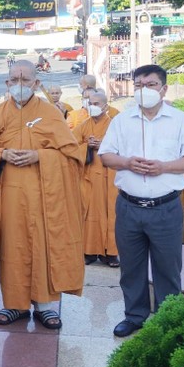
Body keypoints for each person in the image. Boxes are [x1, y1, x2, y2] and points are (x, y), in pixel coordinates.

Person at [98, 65, 184, 338]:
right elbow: (106, 155)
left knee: (167, 268)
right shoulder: (121, 120)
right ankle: (134, 316)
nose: (144, 90)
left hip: (166, 208)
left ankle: (167, 320)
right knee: (131, 268)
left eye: (151, 84)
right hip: (129, 207)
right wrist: (127, 162)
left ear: (164, 88)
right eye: (138, 85)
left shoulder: (181, 120)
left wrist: (164, 167)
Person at [0, 60, 84, 330]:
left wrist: (40, 156)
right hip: (9, 196)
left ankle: (46, 306)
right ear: (7, 83)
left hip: (44, 196)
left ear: (37, 83)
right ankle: (14, 304)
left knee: (43, 246)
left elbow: (71, 153)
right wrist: (1, 154)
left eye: (25, 80)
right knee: (12, 248)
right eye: (14, 80)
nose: (19, 85)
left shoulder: (49, 113)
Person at [73, 92, 119, 267]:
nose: (93, 106)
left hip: (111, 178)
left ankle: (111, 254)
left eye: (97, 103)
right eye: (90, 103)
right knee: (89, 213)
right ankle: (89, 251)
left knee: (111, 214)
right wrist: (86, 146)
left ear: (106, 106)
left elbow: (127, 147)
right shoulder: (84, 125)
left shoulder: (115, 125)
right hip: (89, 177)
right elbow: (70, 145)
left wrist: (104, 145)